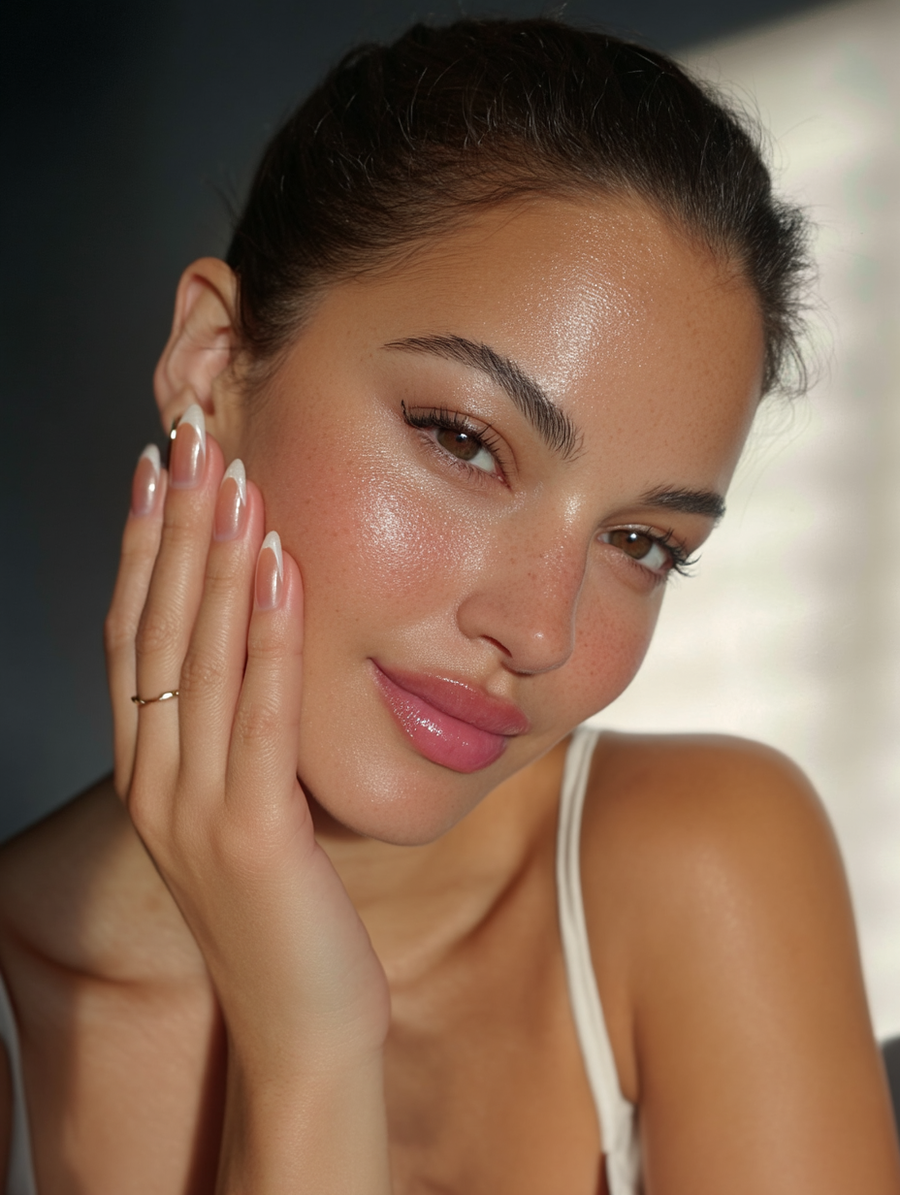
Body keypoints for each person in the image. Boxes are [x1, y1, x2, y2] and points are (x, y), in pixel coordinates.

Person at [0, 16, 897, 1194]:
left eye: (640, 542)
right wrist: (309, 1043)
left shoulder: (701, 871)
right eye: (465, 442)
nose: (540, 631)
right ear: (213, 364)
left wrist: (306, 1038)